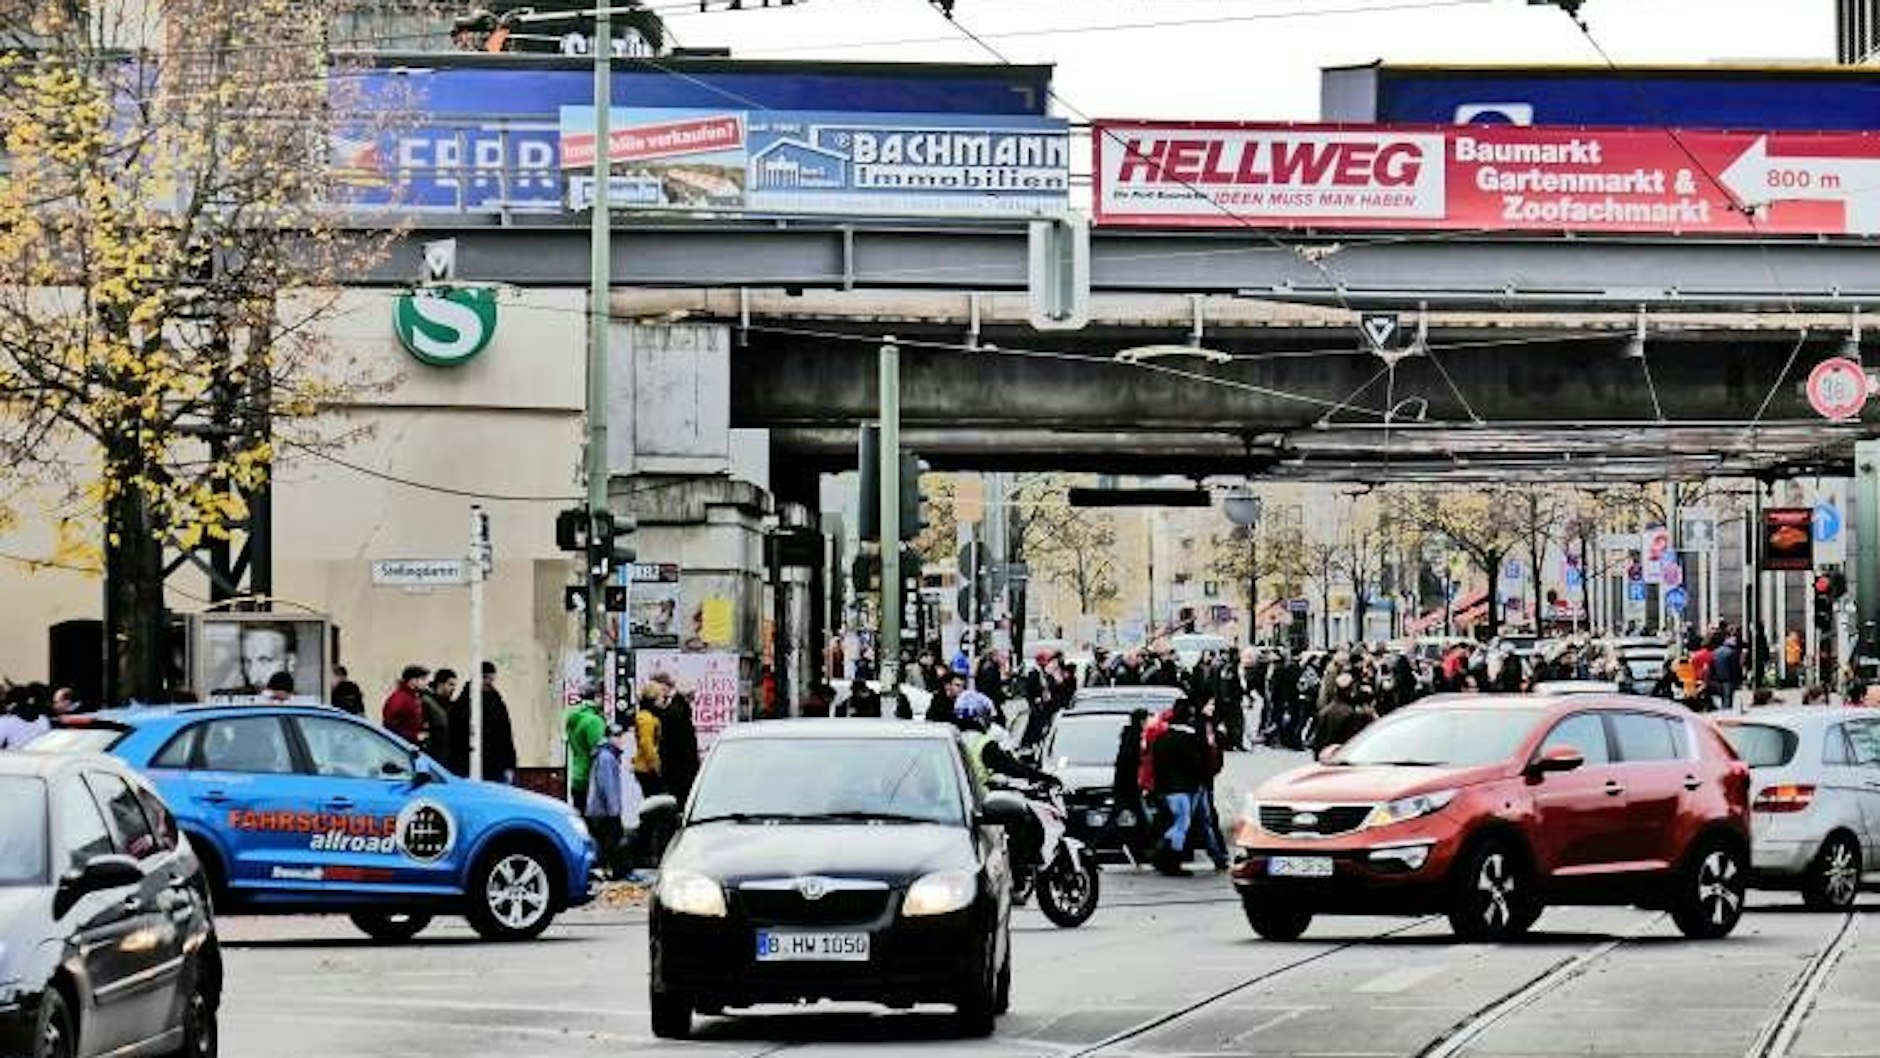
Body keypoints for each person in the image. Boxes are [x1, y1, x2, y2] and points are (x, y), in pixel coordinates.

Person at [952, 691, 1059, 892]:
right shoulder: (984, 744)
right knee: (1023, 822)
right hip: (983, 804)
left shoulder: (953, 740)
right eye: (986, 715)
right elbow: (1012, 767)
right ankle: (1017, 880)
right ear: (979, 716)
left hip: (956, 804)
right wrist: (1041, 777)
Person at [1150, 700, 1225, 876]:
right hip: (1186, 787)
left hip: (1167, 788)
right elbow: (1195, 764)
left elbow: (1157, 765)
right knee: (1182, 823)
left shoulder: (1162, 739)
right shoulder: (1188, 740)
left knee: (1182, 822)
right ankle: (1169, 857)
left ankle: (1166, 855)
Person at [449, 661, 518, 782]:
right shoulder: (464, 704)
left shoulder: (495, 698)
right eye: (486, 678)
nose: (489, 682)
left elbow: (505, 732)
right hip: (470, 766)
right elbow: (457, 736)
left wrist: (509, 763)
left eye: (491, 679)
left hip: (496, 765)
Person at [585, 724, 633, 878]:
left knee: (606, 842)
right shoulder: (607, 757)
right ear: (609, 738)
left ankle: (608, 870)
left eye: (621, 736)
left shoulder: (606, 754)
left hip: (599, 809)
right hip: (604, 810)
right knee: (611, 842)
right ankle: (613, 871)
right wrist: (615, 811)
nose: (620, 740)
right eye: (617, 736)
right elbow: (608, 786)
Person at [564, 688, 607, 809]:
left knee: (580, 815)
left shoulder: (574, 717)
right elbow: (598, 750)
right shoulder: (594, 721)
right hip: (591, 777)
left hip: (577, 776)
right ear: (597, 697)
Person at [659, 691, 701, 805]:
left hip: (675, 768)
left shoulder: (675, 711)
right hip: (681, 769)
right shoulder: (680, 714)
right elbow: (683, 745)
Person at [631, 684, 666, 796]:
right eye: (661, 697)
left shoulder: (647, 716)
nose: (663, 700)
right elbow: (647, 744)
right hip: (646, 768)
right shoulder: (646, 718)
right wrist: (656, 766)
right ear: (653, 698)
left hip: (645, 766)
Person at [382, 665, 428, 744]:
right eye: (422, 679)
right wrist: (414, 736)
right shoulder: (400, 698)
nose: (425, 683)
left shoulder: (413, 697)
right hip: (400, 745)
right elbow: (390, 725)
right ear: (413, 680)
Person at [421, 669, 457, 769]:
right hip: (432, 758)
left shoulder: (448, 704)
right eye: (450, 684)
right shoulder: (426, 702)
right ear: (441, 684)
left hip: (444, 758)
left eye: (454, 685)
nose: (453, 688)